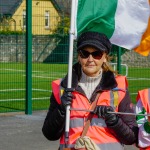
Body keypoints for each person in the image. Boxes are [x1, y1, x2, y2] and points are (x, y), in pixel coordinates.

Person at [42, 31, 138, 150]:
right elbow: (49, 134)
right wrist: (61, 110)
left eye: (96, 54)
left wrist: (114, 121)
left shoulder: (119, 88)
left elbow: (131, 137)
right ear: (78, 56)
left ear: (105, 57)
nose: (90, 59)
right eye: (85, 53)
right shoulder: (62, 88)